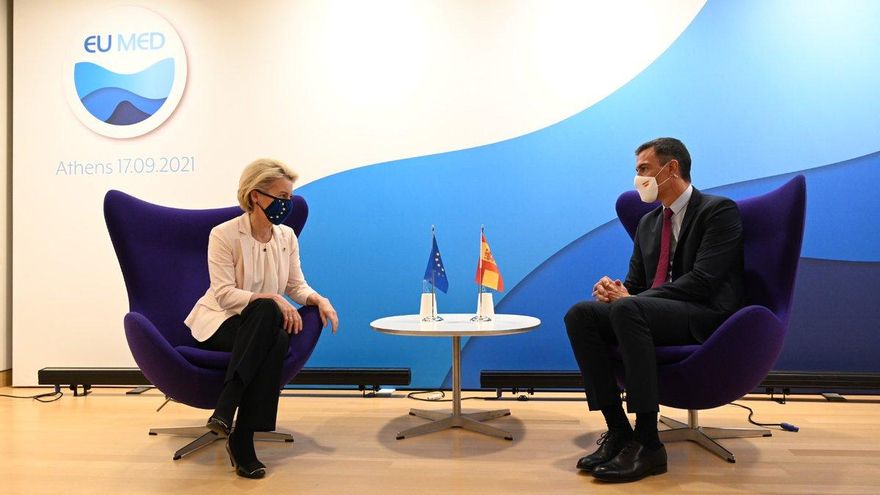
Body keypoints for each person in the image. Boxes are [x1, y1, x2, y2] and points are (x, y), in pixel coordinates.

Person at [564, 138, 744, 482]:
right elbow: (635, 284)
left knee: (628, 309)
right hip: (651, 313)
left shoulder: (718, 211)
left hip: (703, 314)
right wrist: (614, 291)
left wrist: (630, 300)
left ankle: (648, 442)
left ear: (671, 168)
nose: (638, 179)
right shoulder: (648, 223)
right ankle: (618, 430)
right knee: (580, 315)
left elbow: (704, 281)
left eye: (644, 169)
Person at [185, 158, 339, 479]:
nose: (287, 204)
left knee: (275, 330)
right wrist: (271, 299)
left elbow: (296, 285)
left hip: (261, 326)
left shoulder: (287, 237)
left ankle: (230, 416)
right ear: (256, 195)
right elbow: (224, 294)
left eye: (289, 198)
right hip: (220, 323)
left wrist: (318, 299)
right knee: (269, 316)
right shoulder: (224, 234)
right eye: (281, 197)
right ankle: (241, 436)